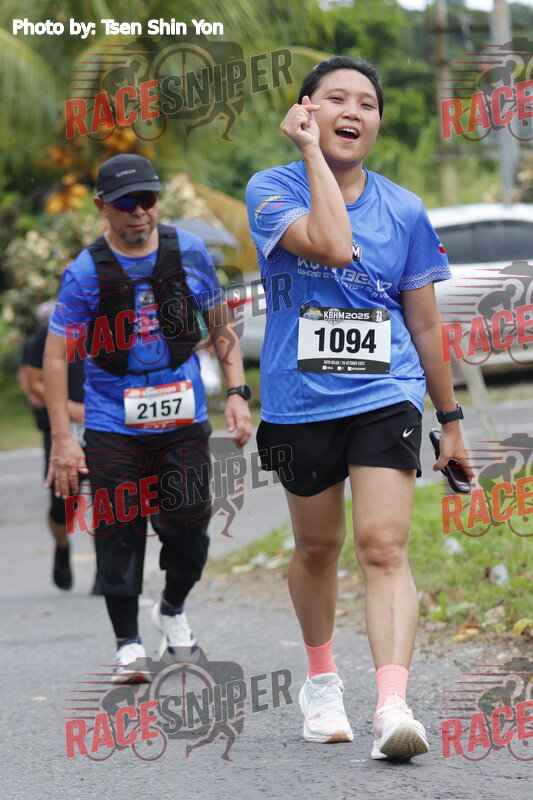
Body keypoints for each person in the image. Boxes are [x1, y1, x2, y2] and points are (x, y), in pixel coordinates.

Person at [246, 56, 471, 760]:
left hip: (384, 392)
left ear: (376, 122)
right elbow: (334, 244)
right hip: (299, 398)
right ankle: (321, 683)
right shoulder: (270, 189)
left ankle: (392, 706)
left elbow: (425, 324)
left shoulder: (403, 208)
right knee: (317, 547)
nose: (353, 111)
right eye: (336, 98)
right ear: (305, 110)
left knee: (383, 545)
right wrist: (310, 152)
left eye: (367, 103)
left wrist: (451, 420)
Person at [44, 154, 251, 682]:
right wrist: (62, 439)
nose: (139, 212)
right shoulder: (86, 271)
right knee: (118, 528)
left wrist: (236, 393)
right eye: (126, 203)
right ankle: (127, 645)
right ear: (102, 207)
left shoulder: (189, 252)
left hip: (181, 416)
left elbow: (220, 322)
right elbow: (55, 355)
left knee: (190, 527)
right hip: (113, 422)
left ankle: (172, 607)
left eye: (148, 199)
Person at [19, 301, 85, 590]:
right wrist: (69, 407)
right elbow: (33, 381)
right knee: (63, 505)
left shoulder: (116, 321)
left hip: (104, 423)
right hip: (62, 427)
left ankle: (106, 569)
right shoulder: (51, 330)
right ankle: (62, 546)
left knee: (110, 495)